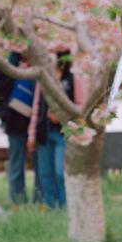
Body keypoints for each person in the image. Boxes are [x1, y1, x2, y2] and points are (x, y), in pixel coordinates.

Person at [27, 50, 80, 209]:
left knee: (60, 171)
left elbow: (81, 105)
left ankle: (65, 206)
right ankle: (51, 207)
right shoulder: (43, 80)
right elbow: (36, 107)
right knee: (45, 173)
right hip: (44, 131)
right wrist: (31, 135)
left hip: (64, 133)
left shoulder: (72, 80)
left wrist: (64, 116)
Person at [0, 52, 43, 205]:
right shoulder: (7, 62)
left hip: (38, 122)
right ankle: (17, 200)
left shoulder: (41, 61)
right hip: (14, 121)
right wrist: (15, 71)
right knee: (16, 164)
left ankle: (40, 200)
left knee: (40, 164)